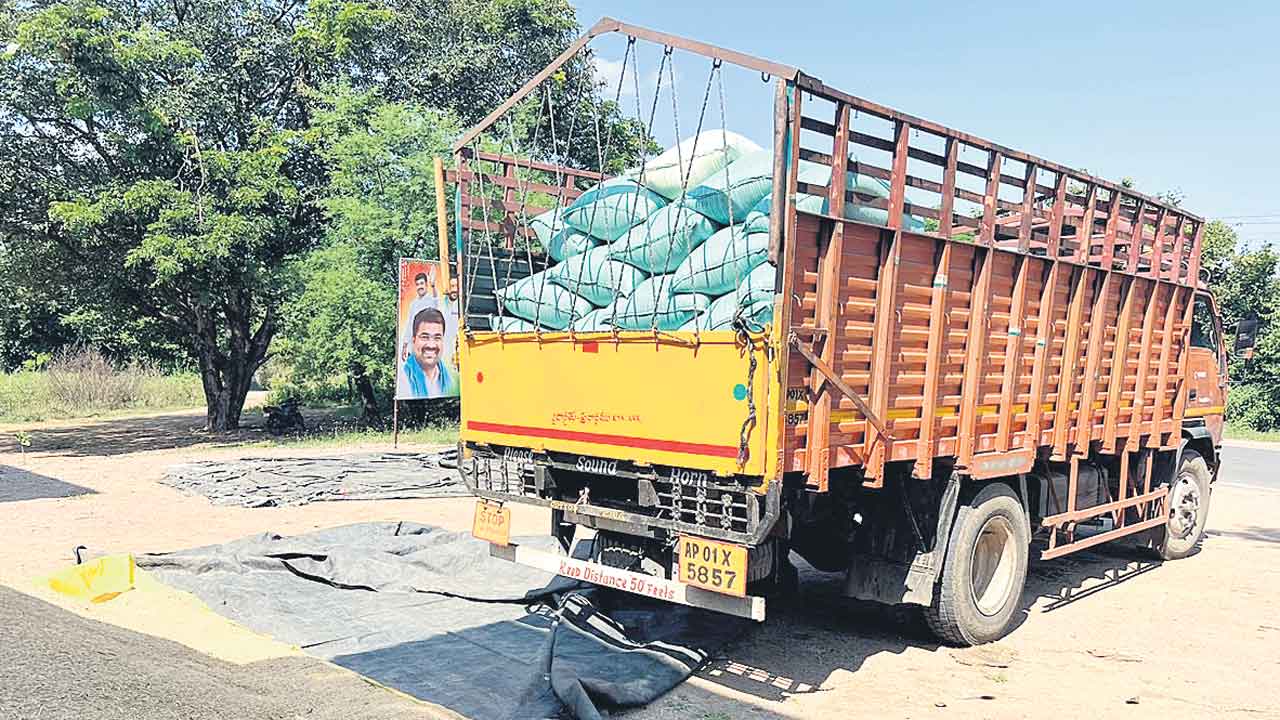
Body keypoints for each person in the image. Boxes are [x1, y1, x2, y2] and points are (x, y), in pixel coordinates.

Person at [401, 307, 458, 398]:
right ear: (414, 340)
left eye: (437, 338)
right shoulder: (404, 380)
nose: (431, 345)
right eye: (424, 337)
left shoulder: (451, 381)